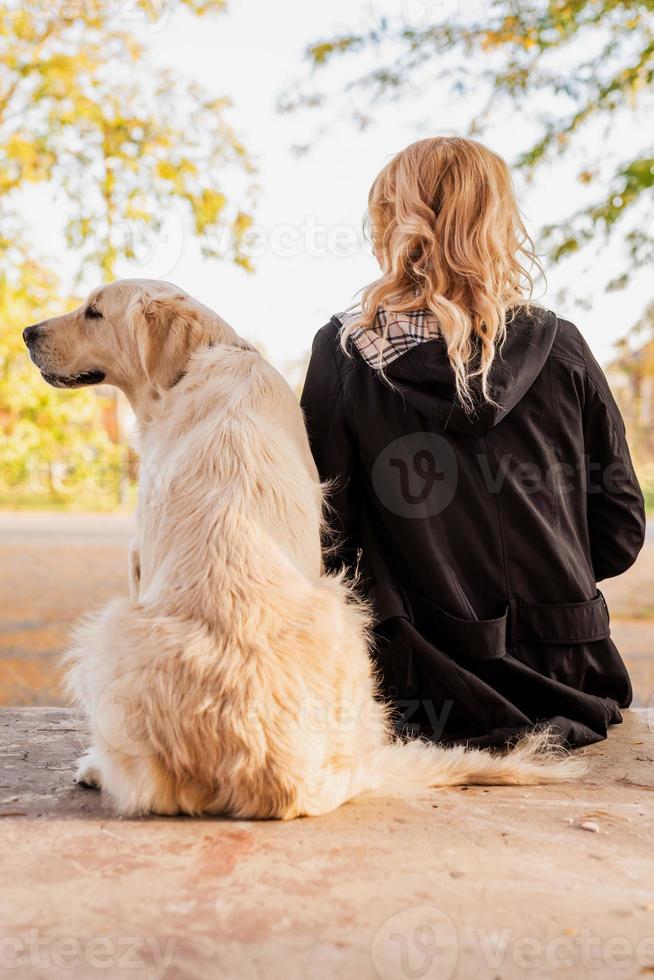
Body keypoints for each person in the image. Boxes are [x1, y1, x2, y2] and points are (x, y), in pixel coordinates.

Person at [300, 136, 646, 749]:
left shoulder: (344, 354)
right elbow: (619, 532)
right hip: (573, 675)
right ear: (499, 224)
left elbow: (326, 533)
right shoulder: (562, 345)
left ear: (392, 224)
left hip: (420, 692)